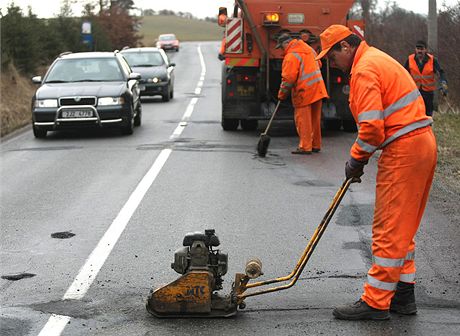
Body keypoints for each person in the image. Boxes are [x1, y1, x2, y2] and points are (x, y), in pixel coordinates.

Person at [315, 25, 437, 320]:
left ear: (345, 47)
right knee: (403, 228)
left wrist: (356, 160)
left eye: (332, 58)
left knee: (388, 229)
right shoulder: (377, 59)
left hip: (405, 150)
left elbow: (371, 128)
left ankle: (376, 301)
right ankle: (403, 296)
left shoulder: (365, 69)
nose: (332, 65)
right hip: (420, 144)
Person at [276, 33, 328, 154]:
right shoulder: (309, 49)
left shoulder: (291, 56)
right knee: (315, 119)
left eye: (281, 47)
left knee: (303, 119)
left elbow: (288, 79)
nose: (282, 50)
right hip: (318, 88)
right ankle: (315, 144)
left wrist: (281, 95)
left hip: (304, 91)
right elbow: (319, 64)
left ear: (286, 44)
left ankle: (305, 146)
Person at [404, 40, 448, 116]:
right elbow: (403, 73)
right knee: (415, 114)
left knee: (428, 114)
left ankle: (428, 127)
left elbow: (441, 72)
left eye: (421, 49)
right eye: (418, 49)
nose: (419, 51)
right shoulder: (410, 60)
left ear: (425, 50)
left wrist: (443, 83)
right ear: (415, 49)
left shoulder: (433, 60)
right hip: (414, 92)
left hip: (428, 93)